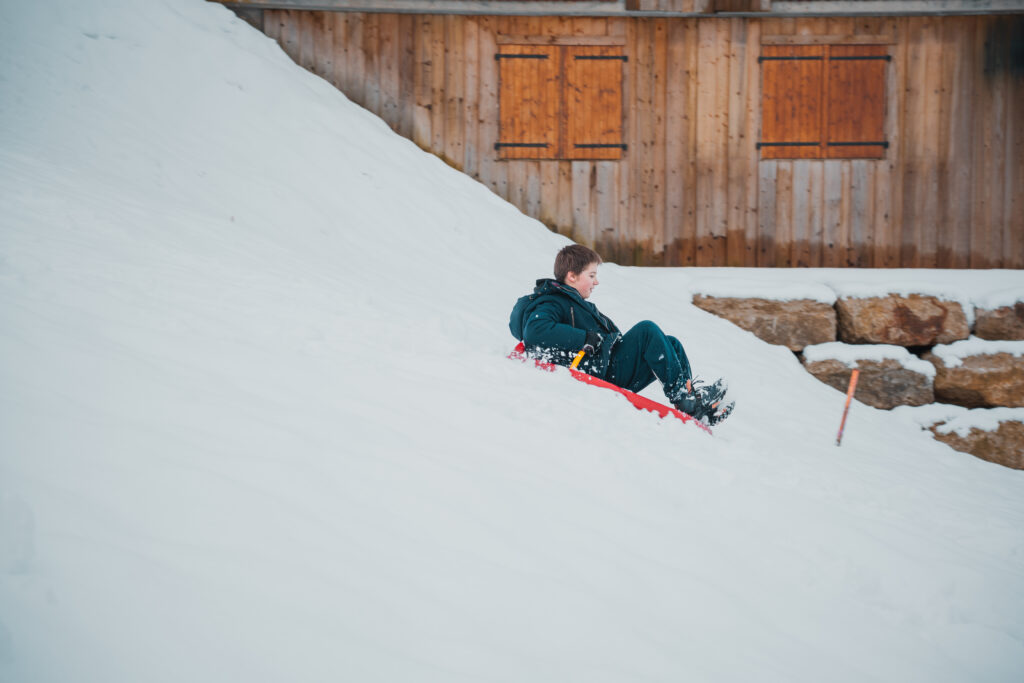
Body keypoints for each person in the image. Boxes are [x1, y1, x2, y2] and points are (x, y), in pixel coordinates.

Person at [509, 244, 733, 425]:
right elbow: (535, 331)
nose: (596, 281)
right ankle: (686, 401)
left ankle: (693, 401)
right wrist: (584, 338)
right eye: (592, 275)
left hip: (606, 366)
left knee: (670, 344)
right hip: (597, 371)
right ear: (572, 276)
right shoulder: (553, 301)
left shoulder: (576, 304)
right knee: (647, 330)